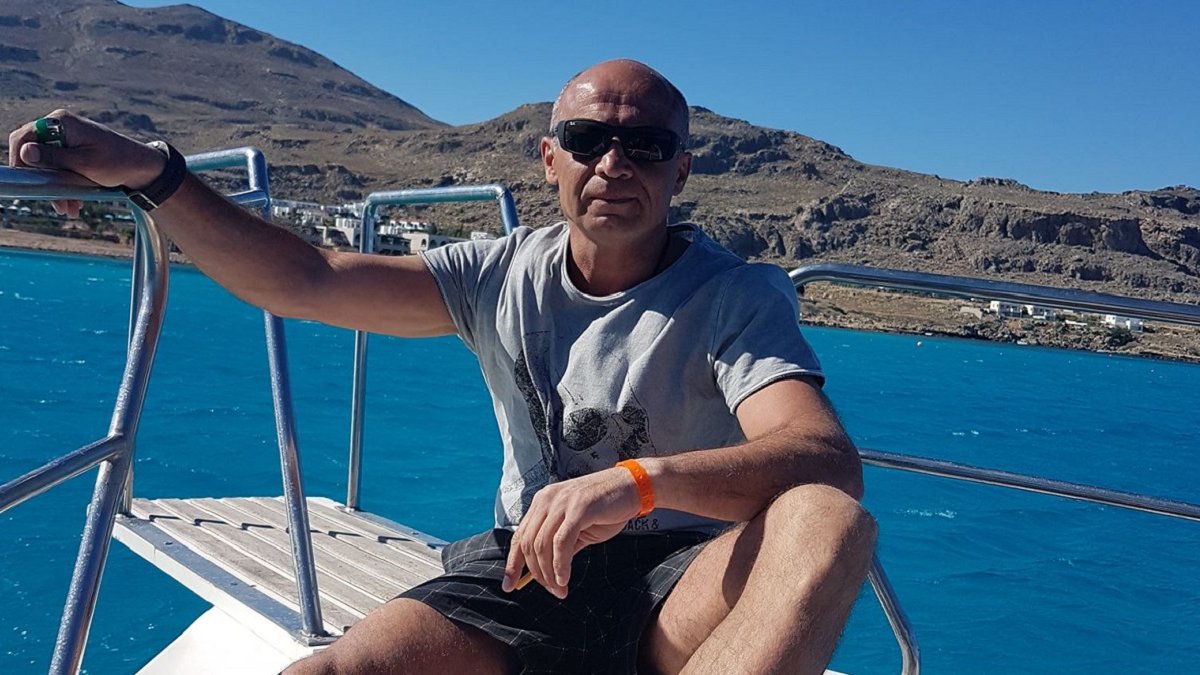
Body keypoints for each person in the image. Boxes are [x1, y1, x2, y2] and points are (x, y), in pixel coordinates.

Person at [9, 59, 876, 674]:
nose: (614, 164)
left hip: (679, 582)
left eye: (646, 145)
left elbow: (824, 459)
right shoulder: (498, 273)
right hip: (526, 571)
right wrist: (152, 174)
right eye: (588, 139)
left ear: (680, 171)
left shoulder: (734, 297)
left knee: (828, 521)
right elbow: (307, 279)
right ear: (550, 158)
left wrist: (637, 484)